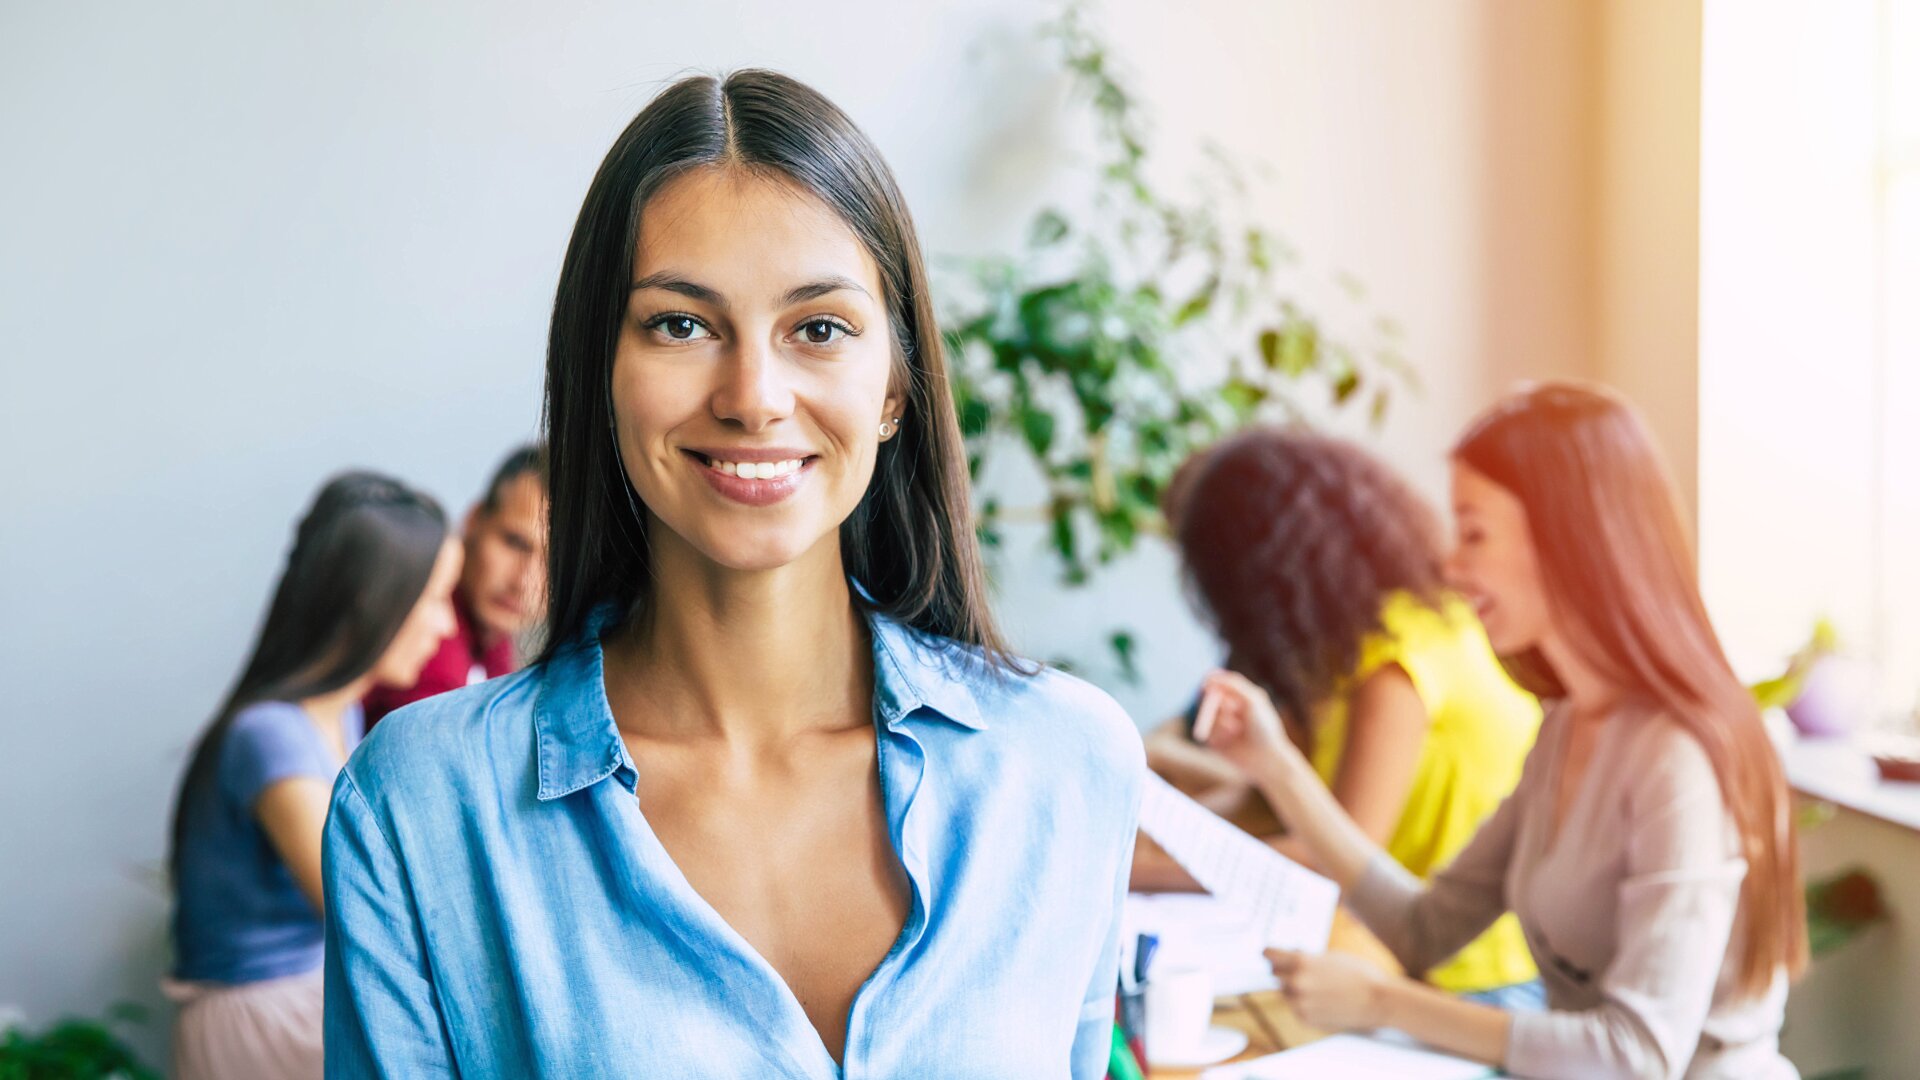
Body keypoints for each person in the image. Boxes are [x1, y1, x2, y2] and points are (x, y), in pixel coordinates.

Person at [322, 70, 1144, 1079]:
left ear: (894, 387)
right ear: (600, 373)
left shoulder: (1068, 763)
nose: (754, 397)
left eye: (820, 328)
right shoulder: (420, 805)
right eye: (681, 324)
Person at [1194, 384, 1806, 1079]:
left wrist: (1383, 1002)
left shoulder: (1680, 756)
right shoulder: (1567, 725)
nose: (1452, 567)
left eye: (1475, 533)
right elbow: (1424, 930)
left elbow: (1637, 1055)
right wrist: (1278, 768)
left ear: (1569, 539)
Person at [1138, 429, 1543, 1005]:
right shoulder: (1353, 654)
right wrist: (1162, 831)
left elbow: (1327, 857)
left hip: (1471, 983)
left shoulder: (1399, 664)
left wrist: (1137, 873)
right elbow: (1274, 803)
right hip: (1390, 954)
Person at [164, 472, 462, 1080]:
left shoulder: (344, 715)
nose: (445, 628)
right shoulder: (271, 734)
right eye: (433, 601)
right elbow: (358, 906)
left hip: (300, 995)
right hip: (260, 1014)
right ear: (373, 604)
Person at [363, 443, 548, 726]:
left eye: (554, 563)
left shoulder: (492, 638)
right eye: (514, 543)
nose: (525, 582)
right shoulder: (429, 643)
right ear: (475, 519)